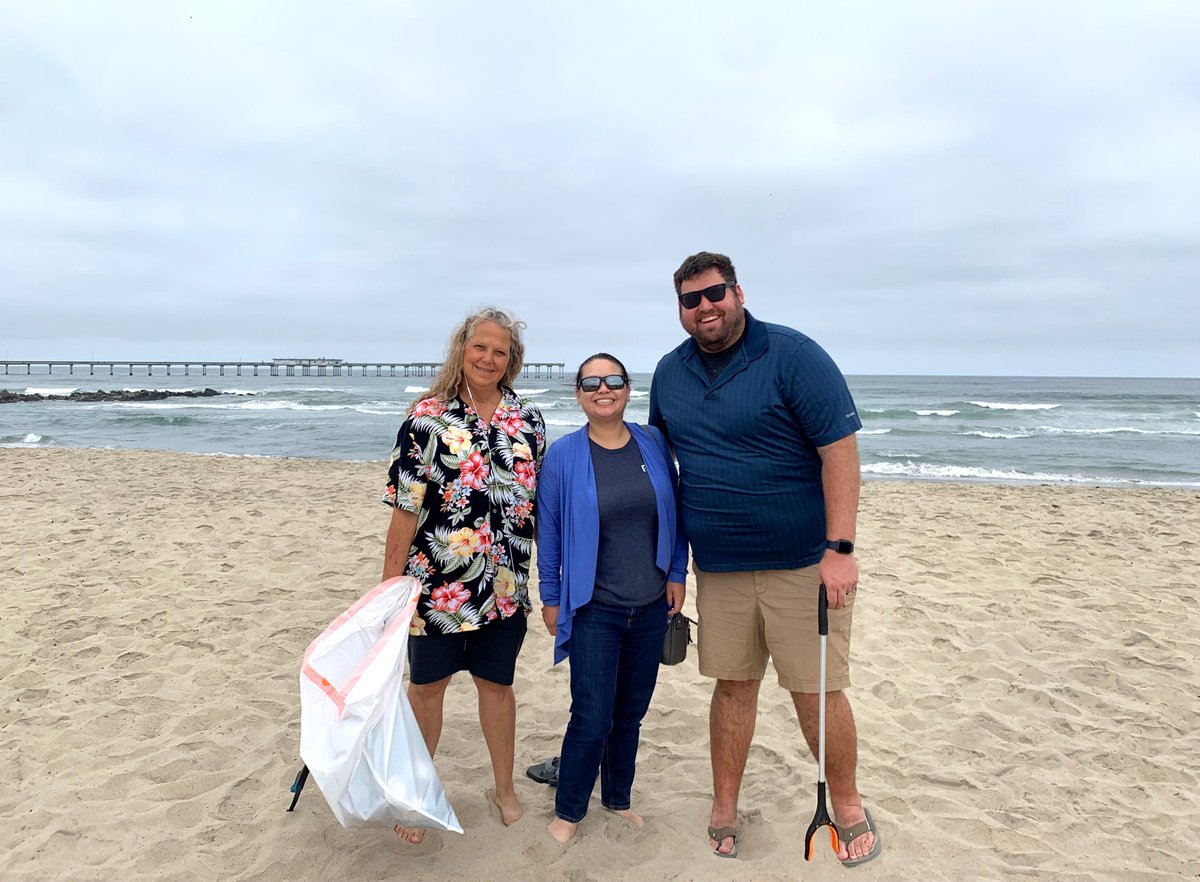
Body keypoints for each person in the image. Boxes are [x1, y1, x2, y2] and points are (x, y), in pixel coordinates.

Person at [647, 251, 880, 866]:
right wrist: (670, 567)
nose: (705, 308)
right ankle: (725, 804)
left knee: (817, 690)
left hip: (804, 563)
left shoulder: (792, 355)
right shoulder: (669, 374)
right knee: (732, 687)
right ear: (680, 310)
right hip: (719, 567)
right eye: (691, 300)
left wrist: (841, 549)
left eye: (715, 293)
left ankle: (849, 803)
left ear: (738, 291)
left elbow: (840, 453)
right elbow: (659, 470)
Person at [381, 306, 545, 844]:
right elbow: (406, 507)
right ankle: (417, 794)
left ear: (511, 361)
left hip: (504, 589)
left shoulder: (528, 420)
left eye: (500, 351)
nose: (489, 358)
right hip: (436, 588)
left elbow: (541, 507)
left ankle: (504, 789)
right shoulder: (427, 418)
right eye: (481, 347)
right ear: (462, 350)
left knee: (497, 688)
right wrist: (389, 590)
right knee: (425, 691)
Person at [535, 353, 687, 843]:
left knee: (630, 713)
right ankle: (569, 810)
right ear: (579, 394)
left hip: (649, 606)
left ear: (627, 388)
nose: (604, 389)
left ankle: (617, 798)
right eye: (592, 382)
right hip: (593, 607)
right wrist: (551, 595)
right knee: (592, 714)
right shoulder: (563, 455)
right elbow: (550, 531)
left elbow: (676, 512)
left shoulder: (653, 441)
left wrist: (678, 571)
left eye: (614, 380)